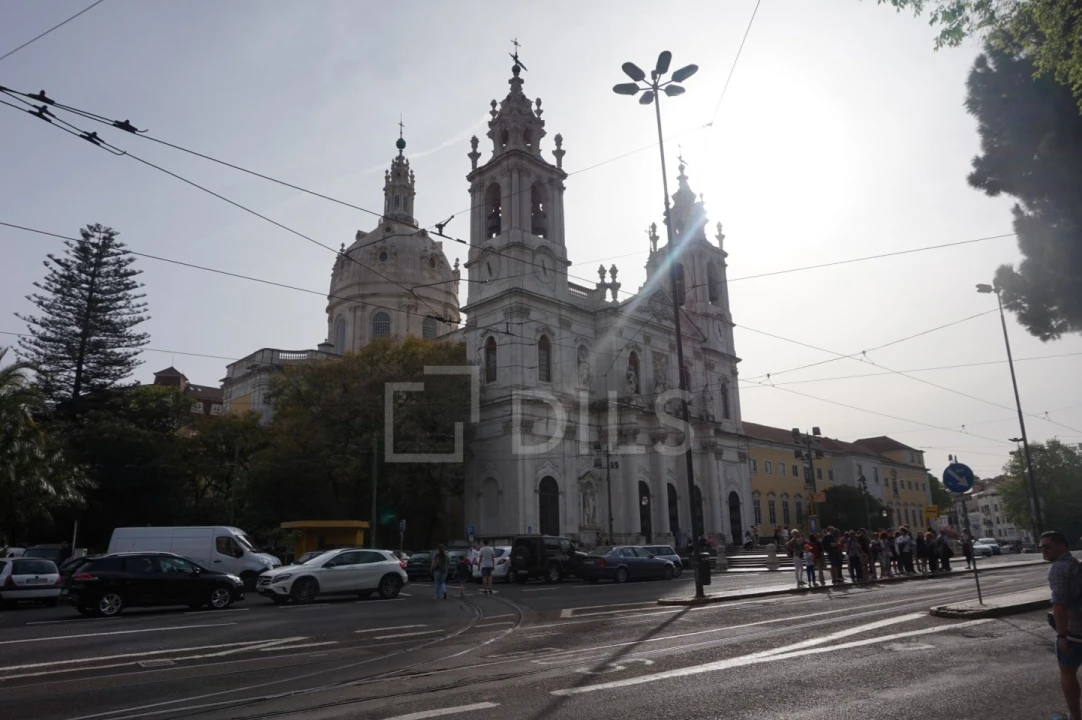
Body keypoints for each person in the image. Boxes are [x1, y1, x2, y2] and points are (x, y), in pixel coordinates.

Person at [1041, 530, 1082, 720]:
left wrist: (1062, 635)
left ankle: (1074, 716)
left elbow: (1059, 604)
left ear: (1061, 545)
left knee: (1067, 672)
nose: (1043, 551)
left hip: (1073, 631)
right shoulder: (1075, 564)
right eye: (1041, 547)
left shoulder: (1058, 568)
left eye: (1047, 547)